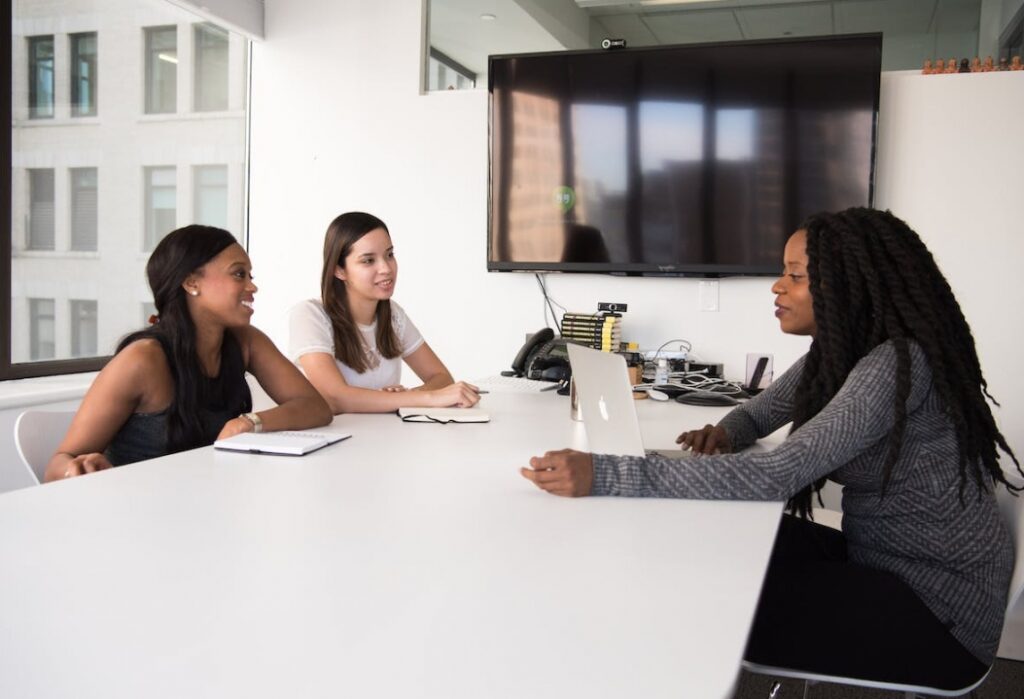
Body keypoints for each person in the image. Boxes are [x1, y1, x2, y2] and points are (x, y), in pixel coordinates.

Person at [521, 208, 1022, 689]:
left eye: (796, 275)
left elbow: (778, 473)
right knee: (716, 542)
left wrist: (607, 474)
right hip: (883, 560)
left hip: (936, 613)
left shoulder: (893, 364)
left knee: (703, 595)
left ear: (847, 285)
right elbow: (762, 411)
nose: (777, 286)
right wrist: (728, 432)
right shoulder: (841, 354)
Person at [45, 225, 332, 481]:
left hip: (206, 504)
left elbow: (315, 407)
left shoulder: (246, 341)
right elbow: (57, 466)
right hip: (140, 515)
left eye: (250, 275)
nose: (252, 286)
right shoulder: (142, 360)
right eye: (238, 274)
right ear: (191, 282)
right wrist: (77, 469)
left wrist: (249, 422)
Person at [289, 211, 480, 413]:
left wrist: (404, 398)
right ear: (339, 270)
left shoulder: (393, 315)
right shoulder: (310, 315)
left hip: (384, 437)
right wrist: (419, 398)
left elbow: (441, 378)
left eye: (389, 255)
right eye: (368, 260)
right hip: (335, 440)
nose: (386, 268)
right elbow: (336, 397)